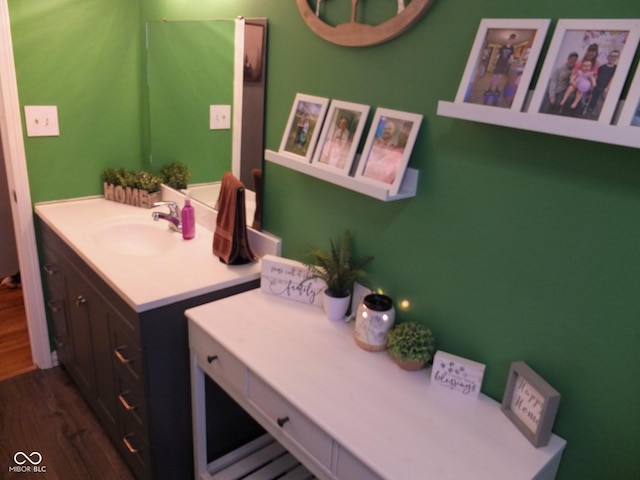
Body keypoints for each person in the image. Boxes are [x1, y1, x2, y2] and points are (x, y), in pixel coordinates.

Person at [586, 49, 620, 116]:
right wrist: (593, 85)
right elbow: (597, 76)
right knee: (593, 99)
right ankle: (589, 109)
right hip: (597, 86)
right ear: (608, 57)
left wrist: (607, 88)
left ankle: (596, 113)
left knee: (600, 102)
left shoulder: (616, 68)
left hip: (605, 88)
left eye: (615, 56)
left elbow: (612, 78)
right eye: (611, 56)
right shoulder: (602, 67)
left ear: (617, 58)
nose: (612, 58)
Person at [486, 33, 517, 97]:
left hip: (504, 65)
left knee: (500, 77)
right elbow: (498, 55)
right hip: (498, 64)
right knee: (494, 76)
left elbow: (511, 56)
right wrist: (495, 62)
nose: (512, 42)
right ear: (509, 39)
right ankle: (489, 87)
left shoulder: (512, 48)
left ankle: (497, 88)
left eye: (513, 41)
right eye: (511, 40)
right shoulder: (503, 47)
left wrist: (512, 61)